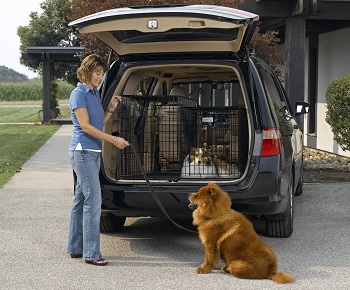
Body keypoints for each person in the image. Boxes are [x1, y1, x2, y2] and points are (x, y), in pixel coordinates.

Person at [67, 54, 129, 266]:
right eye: (97, 73)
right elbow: (85, 127)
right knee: (93, 201)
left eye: (102, 74)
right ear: (87, 71)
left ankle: (75, 247)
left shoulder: (94, 94)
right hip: (82, 152)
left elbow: (97, 123)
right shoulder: (79, 94)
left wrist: (110, 108)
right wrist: (113, 140)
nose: (100, 77)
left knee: (81, 200)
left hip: (93, 153)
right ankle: (91, 254)